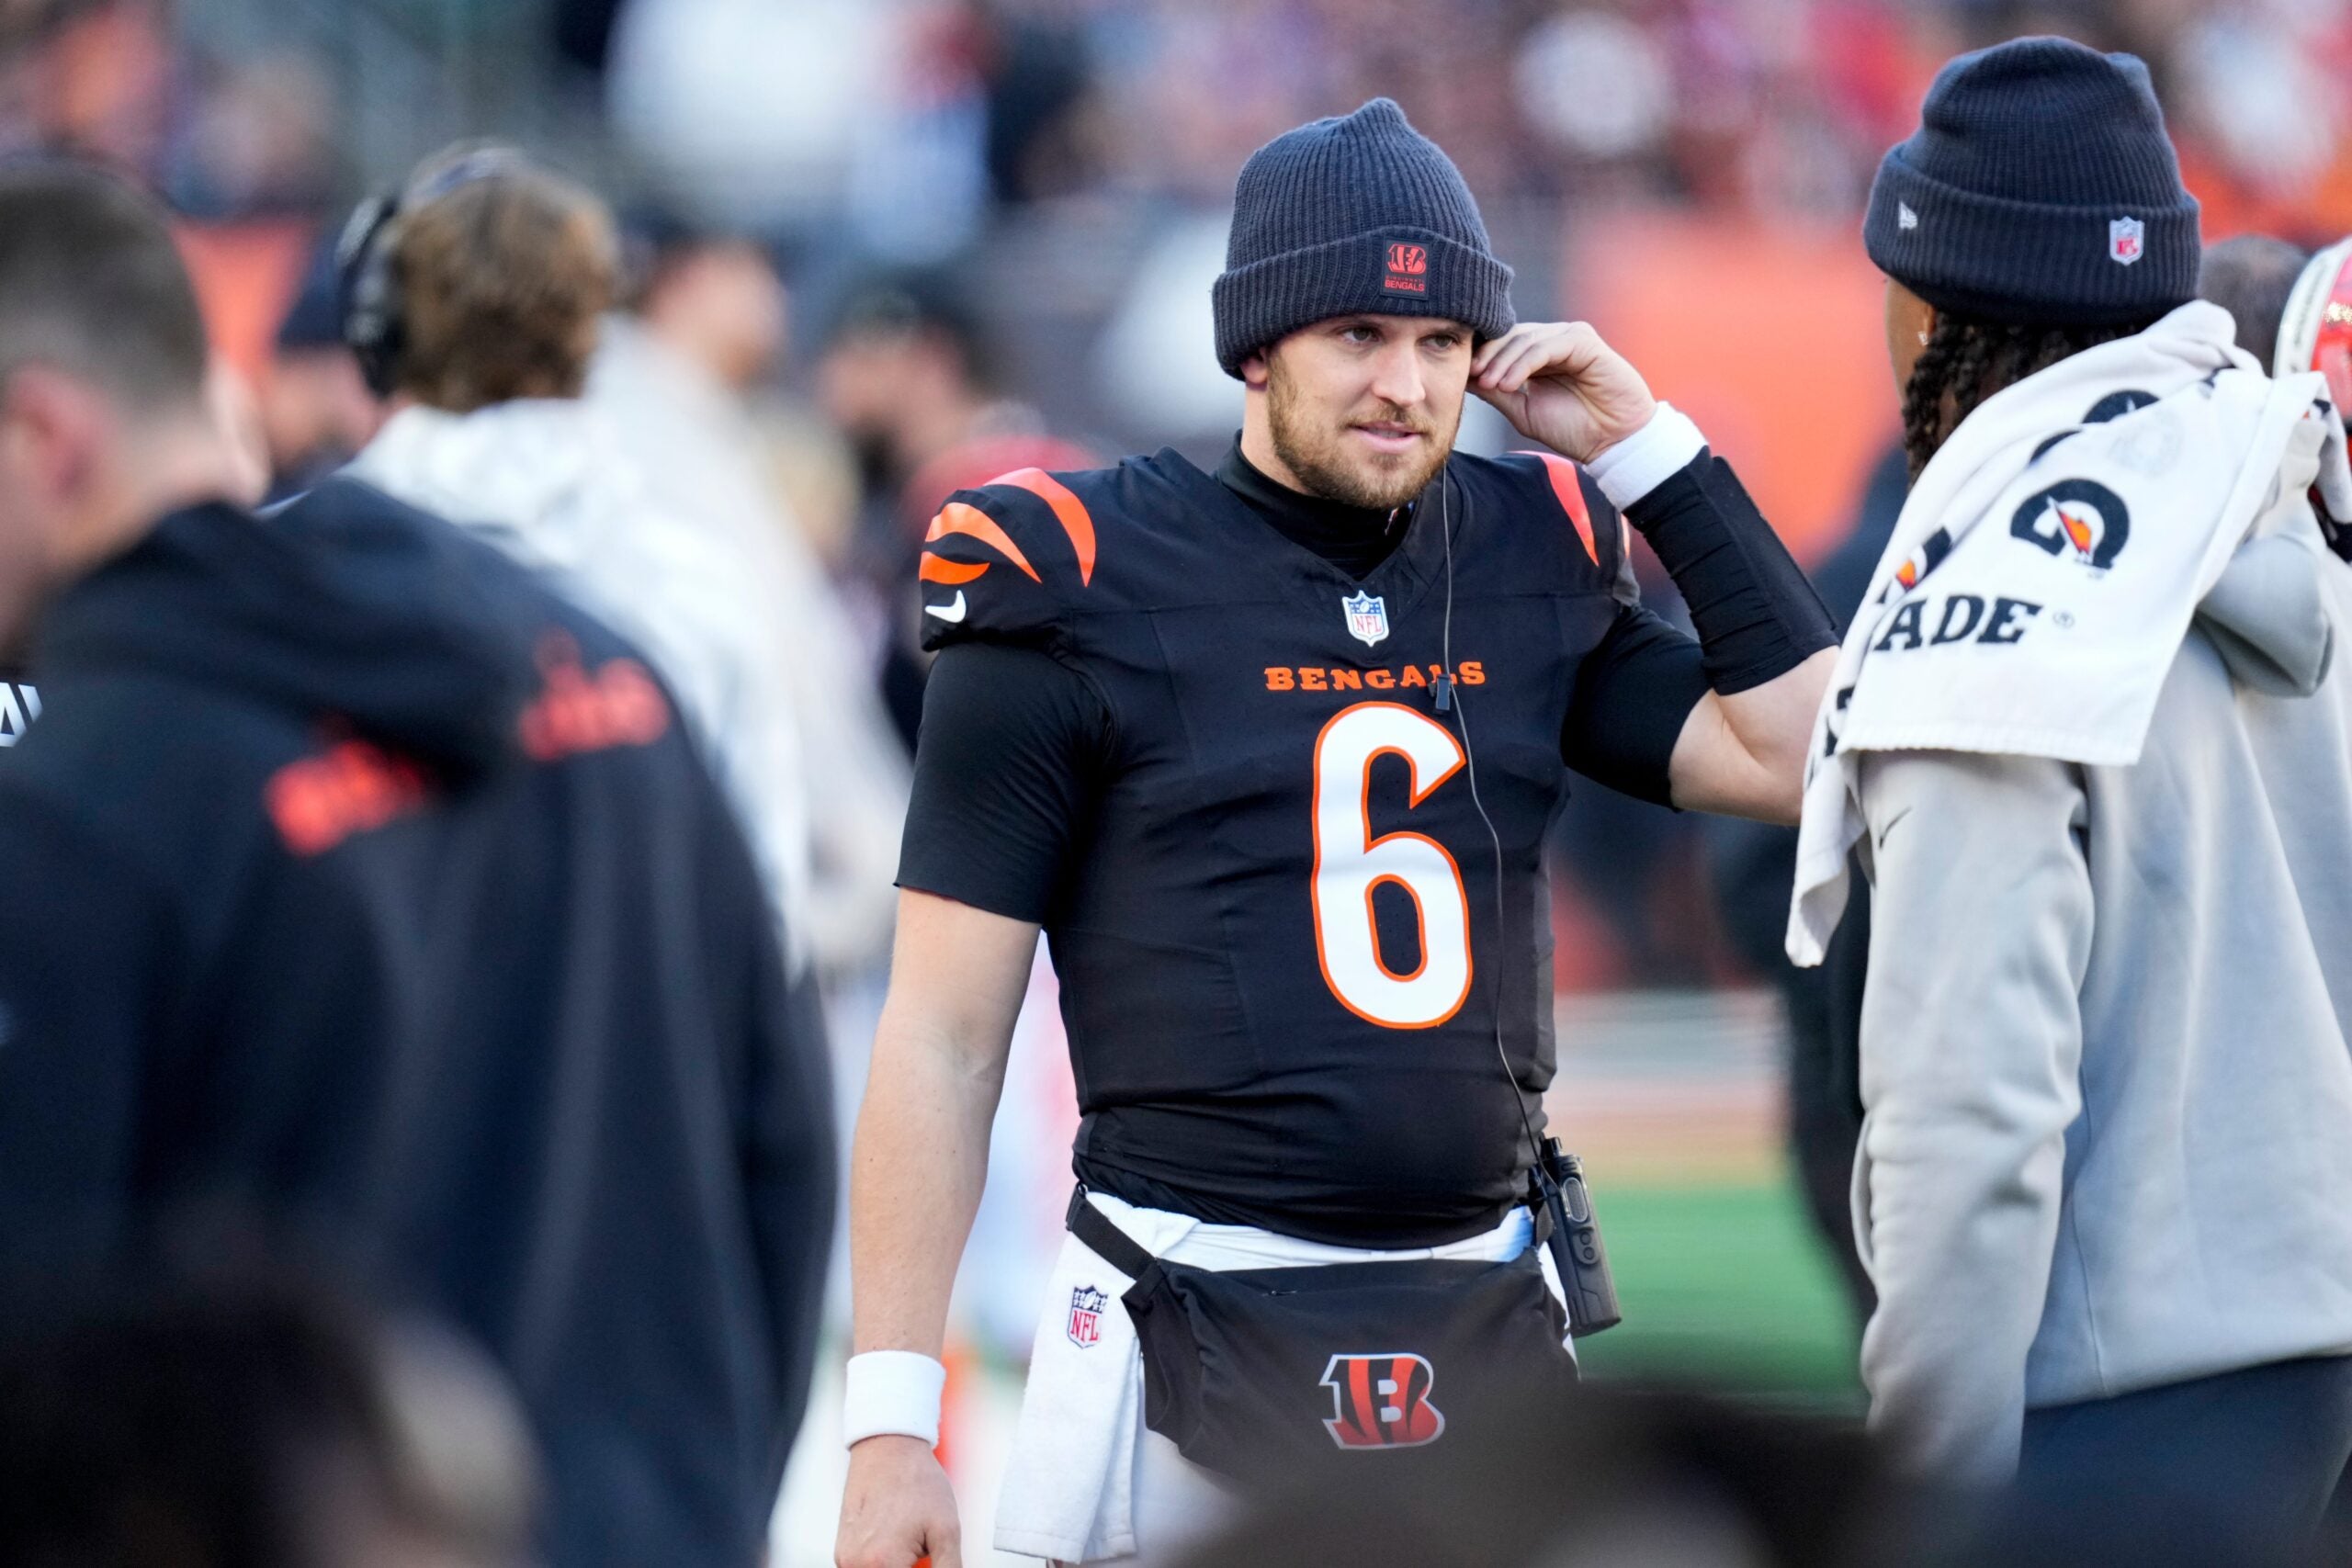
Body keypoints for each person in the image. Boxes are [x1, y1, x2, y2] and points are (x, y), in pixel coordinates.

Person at [836, 98, 1838, 1568]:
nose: (1407, 384)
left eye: (1441, 343)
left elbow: (1801, 749)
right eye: (1358, 334)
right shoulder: (1074, 571)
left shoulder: (1527, 548)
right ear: (1259, 344)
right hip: (1180, 1303)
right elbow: (942, 1032)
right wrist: (890, 1423)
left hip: (1483, 1296)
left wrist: (1653, 458)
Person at [0, 161, 833, 1568]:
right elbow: (782, 1145)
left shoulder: (87, 803)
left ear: (42, 435)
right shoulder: (608, 665)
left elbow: (49, 1362)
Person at [1786, 38, 2352, 1543]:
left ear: (1929, 304)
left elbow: (1971, 1114)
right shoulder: (2287, 492)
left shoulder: (1997, 594)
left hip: (2116, 1405)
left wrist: (1918, 1491)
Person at [341, 144, 819, 971]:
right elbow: (763, 942)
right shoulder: (697, 588)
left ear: (383, 328)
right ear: (594, 330)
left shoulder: (282, 569)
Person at [589, 211, 909, 977]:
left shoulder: (690, 420)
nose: (773, 298)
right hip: (743, 902)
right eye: (752, 269)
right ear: (687, 279)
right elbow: (753, 667)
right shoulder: (636, 429)